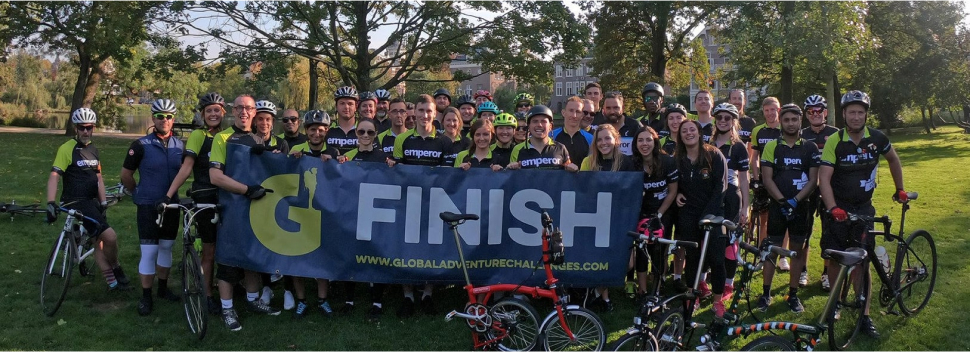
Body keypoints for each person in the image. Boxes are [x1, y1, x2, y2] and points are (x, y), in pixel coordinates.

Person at [819, 90, 907, 338]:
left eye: (860, 112)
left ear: (866, 114)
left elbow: (893, 160)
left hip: (864, 210)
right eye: (851, 112)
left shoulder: (877, 138)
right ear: (844, 114)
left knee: (862, 261)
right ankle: (836, 303)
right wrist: (832, 207)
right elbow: (823, 178)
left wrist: (899, 189)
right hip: (838, 209)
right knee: (836, 258)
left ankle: (865, 313)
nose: (856, 117)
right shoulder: (834, 141)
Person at [209, 94, 282, 331]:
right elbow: (215, 176)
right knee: (229, 260)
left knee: (252, 256)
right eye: (239, 107)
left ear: (254, 111)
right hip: (233, 207)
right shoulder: (222, 138)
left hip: (258, 208)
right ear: (232, 110)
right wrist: (246, 190)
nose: (244, 112)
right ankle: (227, 309)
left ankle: (252, 301)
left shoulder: (259, 138)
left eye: (248, 108)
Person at [46, 108, 130, 294]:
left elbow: (98, 177)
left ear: (93, 128)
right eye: (82, 127)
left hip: (92, 202)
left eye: (89, 127)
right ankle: (116, 267)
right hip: (75, 202)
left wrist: (102, 202)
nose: (85, 131)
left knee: (97, 240)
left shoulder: (93, 150)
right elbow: (54, 176)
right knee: (110, 237)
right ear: (76, 128)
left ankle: (113, 283)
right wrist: (50, 202)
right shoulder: (67, 148)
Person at [389, 94, 453, 317]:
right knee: (405, 247)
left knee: (432, 248)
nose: (425, 115)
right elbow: (397, 173)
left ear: (435, 114)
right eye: (420, 110)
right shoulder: (402, 140)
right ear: (412, 113)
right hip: (408, 202)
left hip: (434, 203)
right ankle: (407, 296)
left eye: (429, 111)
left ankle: (427, 294)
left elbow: (448, 177)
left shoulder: (445, 141)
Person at [120, 99, 185, 316]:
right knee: (149, 251)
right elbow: (126, 175)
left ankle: (163, 289)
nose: (164, 120)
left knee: (166, 248)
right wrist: (137, 192)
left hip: (172, 204)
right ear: (153, 118)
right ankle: (146, 296)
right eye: (160, 116)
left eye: (168, 116)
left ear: (173, 119)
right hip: (148, 205)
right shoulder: (140, 145)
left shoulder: (180, 145)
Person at [164, 92, 227, 314]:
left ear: (223, 112)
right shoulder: (199, 136)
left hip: (226, 196)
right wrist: (169, 194)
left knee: (226, 247)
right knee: (209, 250)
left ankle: (228, 288)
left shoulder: (228, 135)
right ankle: (208, 294)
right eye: (208, 110)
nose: (213, 114)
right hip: (205, 196)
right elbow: (186, 168)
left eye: (216, 110)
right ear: (202, 114)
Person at [759, 103, 820, 314]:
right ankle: (765, 293)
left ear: (800, 121)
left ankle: (792, 295)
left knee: (796, 251)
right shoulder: (772, 147)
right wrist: (783, 201)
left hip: (801, 207)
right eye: (786, 120)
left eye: (795, 119)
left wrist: (795, 201)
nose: (791, 123)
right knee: (772, 249)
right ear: (781, 121)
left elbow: (813, 180)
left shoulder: (810, 148)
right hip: (778, 207)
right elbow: (767, 179)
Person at [673, 119, 728, 319]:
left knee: (717, 258)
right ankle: (693, 296)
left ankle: (717, 300)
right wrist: (678, 192)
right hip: (688, 213)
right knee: (693, 257)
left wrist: (708, 215)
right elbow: (673, 183)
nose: (688, 133)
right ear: (680, 136)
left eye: (692, 130)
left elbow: (721, 188)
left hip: (713, 214)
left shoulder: (714, 155)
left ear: (699, 133)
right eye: (684, 131)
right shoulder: (678, 158)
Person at [336, 118, 389, 322]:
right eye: (361, 132)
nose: (365, 136)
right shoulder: (347, 157)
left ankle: (377, 302)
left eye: (370, 133)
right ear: (356, 134)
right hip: (353, 213)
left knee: (375, 258)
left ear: (376, 135)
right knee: (351, 256)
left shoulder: (384, 158)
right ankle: (349, 300)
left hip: (377, 215)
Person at [578, 124, 634, 312]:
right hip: (596, 217)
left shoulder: (627, 162)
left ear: (616, 139)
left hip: (620, 218)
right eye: (599, 139)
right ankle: (605, 298)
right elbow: (583, 190)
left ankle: (595, 292)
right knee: (601, 258)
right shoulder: (589, 161)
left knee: (627, 262)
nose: (604, 143)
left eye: (607, 138)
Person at [630, 126, 678, 300]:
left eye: (648, 140)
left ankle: (657, 289)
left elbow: (673, 191)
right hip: (641, 212)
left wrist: (659, 214)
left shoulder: (667, 161)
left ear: (655, 141)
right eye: (640, 140)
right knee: (641, 251)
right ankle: (642, 291)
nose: (645, 144)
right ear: (635, 144)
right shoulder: (631, 163)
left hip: (663, 211)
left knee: (659, 251)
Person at [710, 103, 751, 304]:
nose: (723, 121)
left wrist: (746, 207)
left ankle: (728, 282)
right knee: (711, 240)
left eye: (728, 118)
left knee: (730, 243)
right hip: (711, 197)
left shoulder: (739, 147)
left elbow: (744, 179)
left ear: (734, 121)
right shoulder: (708, 143)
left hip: (732, 197)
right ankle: (708, 279)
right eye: (720, 118)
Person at [800, 94, 839, 290]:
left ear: (825, 112)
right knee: (804, 231)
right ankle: (803, 270)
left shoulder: (836, 133)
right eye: (811, 111)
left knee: (828, 233)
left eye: (818, 111)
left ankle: (825, 273)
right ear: (807, 114)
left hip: (829, 189)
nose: (815, 114)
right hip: (807, 188)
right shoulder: (801, 134)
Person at [749, 97, 784, 268]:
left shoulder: (785, 129)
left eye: (774, 110)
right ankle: (763, 251)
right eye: (767, 110)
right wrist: (756, 178)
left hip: (783, 179)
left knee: (784, 217)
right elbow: (754, 157)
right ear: (763, 111)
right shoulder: (758, 131)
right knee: (764, 219)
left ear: (779, 110)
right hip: (764, 179)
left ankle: (783, 256)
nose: (770, 113)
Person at [507, 105, 578, 172]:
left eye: (543, 121)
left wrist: (573, 169)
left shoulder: (561, 148)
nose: (539, 125)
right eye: (535, 121)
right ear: (528, 126)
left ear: (550, 126)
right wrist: (511, 169)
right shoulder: (517, 149)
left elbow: (568, 177)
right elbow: (513, 179)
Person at [551, 96, 593, 165]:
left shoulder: (590, 138)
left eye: (578, 112)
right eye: (571, 111)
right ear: (563, 112)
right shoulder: (552, 136)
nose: (574, 115)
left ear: (582, 115)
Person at [600, 91, 643, 156]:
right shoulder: (601, 128)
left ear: (622, 108)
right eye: (608, 108)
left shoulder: (635, 126)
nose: (612, 112)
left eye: (616, 108)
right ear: (604, 109)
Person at [327, 86, 360, 155]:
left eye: (350, 104)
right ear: (336, 106)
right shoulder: (327, 129)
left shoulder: (364, 129)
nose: (346, 107)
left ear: (356, 107)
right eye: (342, 103)